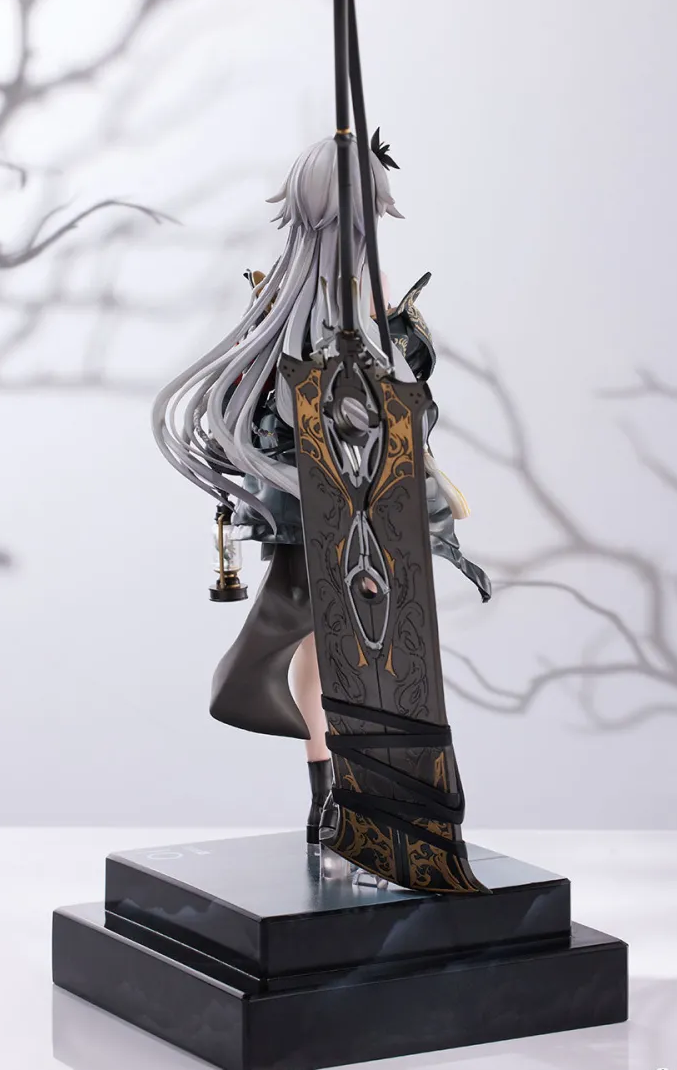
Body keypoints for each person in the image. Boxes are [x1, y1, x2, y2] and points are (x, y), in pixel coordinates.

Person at [152, 136, 490, 842]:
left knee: (343, 642)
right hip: (326, 498)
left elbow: (404, 402)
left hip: (368, 493)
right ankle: (331, 792)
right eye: (358, 212)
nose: (365, 227)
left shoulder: (353, 292)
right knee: (327, 637)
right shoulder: (292, 303)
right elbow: (285, 408)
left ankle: (342, 794)